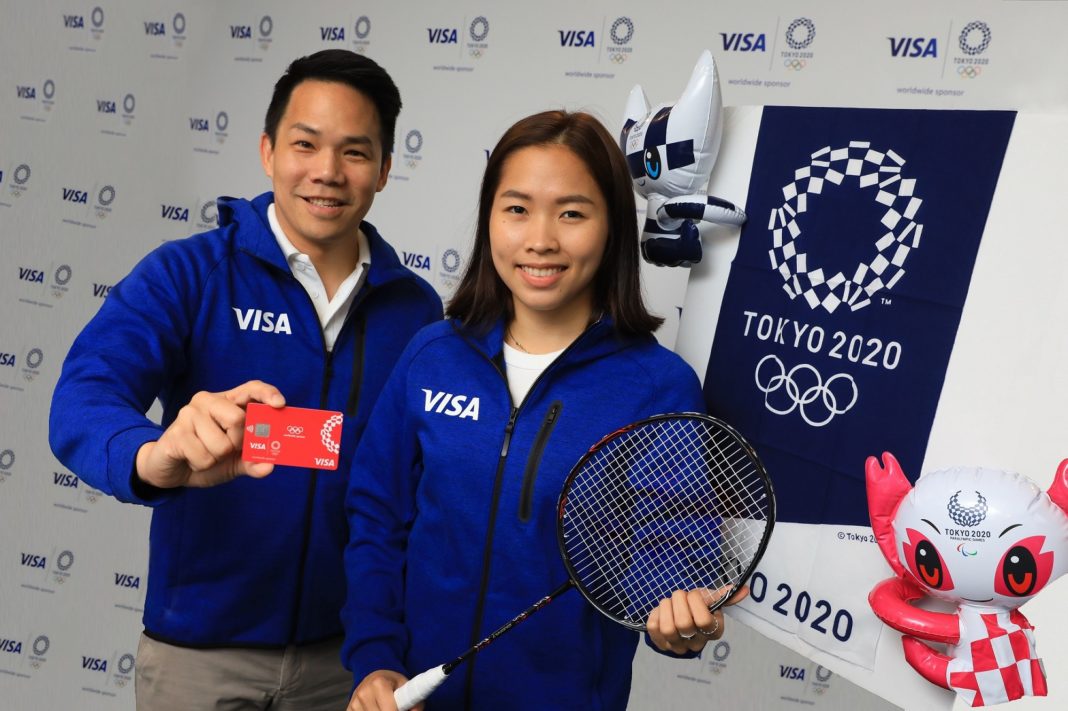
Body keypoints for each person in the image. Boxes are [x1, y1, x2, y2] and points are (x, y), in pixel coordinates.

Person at [48, 50, 442, 709]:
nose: (326, 171)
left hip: (350, 662)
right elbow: (83, 397)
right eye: (305, 144)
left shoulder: (416, 311)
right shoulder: (189, 274)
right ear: (267, 151)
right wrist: (154, 456)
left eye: (354, 151)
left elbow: (420, 484)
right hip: (199, 657)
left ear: (383, 169)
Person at [341, 110, 746, 711]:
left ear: (612, 227)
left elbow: (670, 563)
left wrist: (679, 624)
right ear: (489, 217)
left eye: (572, 213)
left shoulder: (658, 389)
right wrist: (374, 659)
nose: (541, 239)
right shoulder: (432, 355)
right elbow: (377, 519)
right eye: (517, 208)